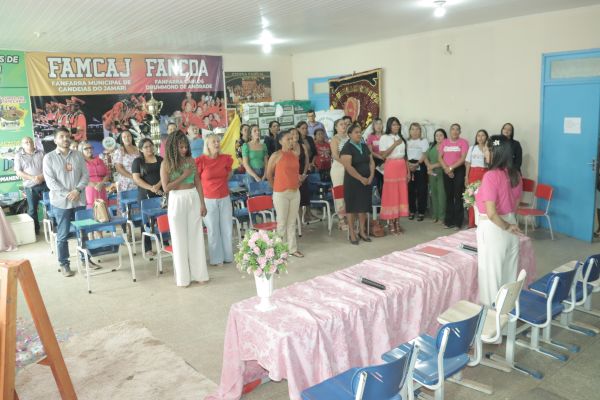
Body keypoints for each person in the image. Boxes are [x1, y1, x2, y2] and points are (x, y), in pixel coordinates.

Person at [475, 135, 523, 306]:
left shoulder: (491, 176)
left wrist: (506, 226)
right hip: (511, 224)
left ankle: (491, 322)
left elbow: (492, 213)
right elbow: (515, 204)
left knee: (491, 276)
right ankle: (507, 315)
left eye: (487, 149)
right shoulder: (515, 174)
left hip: (495, 228)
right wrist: (510, 223)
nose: (484, 152)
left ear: (495, 152)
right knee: (508, 274)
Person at [160, 131, 209, 287]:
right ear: (173, 147)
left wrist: (202, 203)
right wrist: (183, 175)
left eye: (185, 146)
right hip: (176, 199)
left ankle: (199, 274)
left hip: (193, 196)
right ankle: (183, 278)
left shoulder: (191, 160)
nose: (183, 149)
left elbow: (198, 183)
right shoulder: (166, 164)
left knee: (196, 236)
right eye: (180, 147)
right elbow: (166, 187)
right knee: (179, 239)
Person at [42, 127, 89, 277]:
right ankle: (64, 264)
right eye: (62, 136)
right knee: (63, 235)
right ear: (55, 140)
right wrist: (68, 194)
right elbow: (51, 182)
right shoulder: (48, 158)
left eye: (67, 136)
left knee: (83, 232)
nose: (65, 139)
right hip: (60, 203)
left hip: (79, 200)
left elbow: (85, 176)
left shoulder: (78, 156)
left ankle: (85, 259)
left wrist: (77, 190)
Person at [196, 134, 234, 266]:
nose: (217, 144)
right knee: (213, 229)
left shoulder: (226, 158)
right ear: (207, 145)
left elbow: (229, 173)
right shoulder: (201, 160)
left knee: (227, 227)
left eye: (218, 141)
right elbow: (197, 181)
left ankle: (228, 256)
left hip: (224, 197)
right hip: (208, 199)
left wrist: (221, 183)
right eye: (214, 142)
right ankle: (216, 259)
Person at [266, 130, 303, 258]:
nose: (291, 141)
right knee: (281, 222)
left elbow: (294, 172)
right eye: (288, 139)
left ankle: (292, 249)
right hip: (280, 193)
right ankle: (279, 251)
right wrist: (275, 187)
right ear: (281, 141)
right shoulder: (276, 155)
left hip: (295, 192)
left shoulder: (295, 154)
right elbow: (269, 174)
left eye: (292, 139)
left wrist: (299, 180)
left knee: (292, 222)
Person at [340, 122, 375, 244]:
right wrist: (361, 178)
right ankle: (352, 233)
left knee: (363, 207)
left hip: (366, 181)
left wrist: (371, 176)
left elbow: (371, 162)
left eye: (360, 132)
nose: (359, 134)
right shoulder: (347, 147)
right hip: (353, 182)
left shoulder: (364, 145)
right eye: (356, 132)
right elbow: (348, 167)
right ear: (349, 134)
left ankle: (362, 231)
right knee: (352, 208)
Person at [132, 138, 163, 256]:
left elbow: (165, 174)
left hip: (160, 192)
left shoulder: (160, 159)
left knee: (162, 217)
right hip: (145, 194)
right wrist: (151, 188)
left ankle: (164, 242)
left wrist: (158, 186)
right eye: (146, 147)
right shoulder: (138, 162)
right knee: (146, 221)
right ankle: (148, 248)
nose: (149, 148)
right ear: (141, 149)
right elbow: (136, 179)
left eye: (150, 146)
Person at [379, 117, 409, 234]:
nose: (396, 127)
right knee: (392, 194)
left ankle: (397, 222)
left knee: (401, 194)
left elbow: (405, 156)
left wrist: (408, 171)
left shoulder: (401, 138)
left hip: (401, 166)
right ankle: (390, 222)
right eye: (394, 125)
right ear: (389, 126)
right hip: (391, 166)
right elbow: (383, 155)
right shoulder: (384, 138)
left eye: (397, 125)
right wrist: (395, 144)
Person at [14, 136, 47, 236]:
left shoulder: (41, 153)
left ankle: (54, 227)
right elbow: (18, 172)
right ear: (22, 145)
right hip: (30, 187)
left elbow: (48, 168)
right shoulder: (19, 156)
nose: (28, 143)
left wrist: (41, 177)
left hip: (45, 184)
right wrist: (33, 178)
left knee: (52, 205)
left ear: (33, 143)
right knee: (32, 209)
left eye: (30, 141)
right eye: (25, 142)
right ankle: (35, 231)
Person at [439, 123, 469, 230]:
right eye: (453, 129)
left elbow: (463, 158)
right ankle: (449, 221)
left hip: (459, 170)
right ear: (450, 131)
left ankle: (458, 222)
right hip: (446, 170)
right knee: (449, 196)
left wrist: (451, 168)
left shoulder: (463, 142)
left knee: (458, 196)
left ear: (460, 132)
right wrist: (446, 169)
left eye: (457, 129)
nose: (455, 131)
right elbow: (440, 158)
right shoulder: (444, 142)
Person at [291, 127, 316, 222]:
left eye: (297, 134)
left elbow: (306, 161)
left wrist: (304, 173)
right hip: (292, 176)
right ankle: (296, 221)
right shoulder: (288, 148)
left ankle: (303, 219)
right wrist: (296, 176)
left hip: (303, 175)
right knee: (295, 201)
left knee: (303, 199)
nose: (295, 135)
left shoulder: (303, 146)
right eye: (293, 134)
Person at [465, 129, 489, 228]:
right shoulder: (472, 148)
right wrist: (466, 176)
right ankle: (471, 223)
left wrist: (485, 151)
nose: (480, 137)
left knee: (483, 199)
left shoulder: (489, 148)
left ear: (486, 137)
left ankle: (482, 223)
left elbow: (489, 163)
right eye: (478, 135)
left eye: (483, 135)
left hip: (485, 173)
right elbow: (468, 164)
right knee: (471, 198)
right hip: (473, 173)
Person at [406, 122, 430, 221]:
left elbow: (425, 154)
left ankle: (421, 212)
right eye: (413, 129)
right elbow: (404, 154)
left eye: (417, 129)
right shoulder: (407, 141)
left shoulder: (423, 141)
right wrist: (408, 165)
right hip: (408, 166)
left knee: (421, 190)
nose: (415, 131)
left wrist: (417, 164)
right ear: (409, 131)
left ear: (420, 131)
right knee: (410, 190)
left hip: (420, 164)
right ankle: (412, 211)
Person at [329, 118, 350, 229]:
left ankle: (350, 217)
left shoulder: (349, 137)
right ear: (336, 127)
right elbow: (335, 156)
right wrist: (346, 164)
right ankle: (341, 220)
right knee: (340, 193)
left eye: (345, 124)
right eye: (341, 124)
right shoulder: (334, 139)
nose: (344, 126)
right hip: (339, 168)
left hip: (350, 168)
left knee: (349, 193)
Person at [424, 129, 447, 223]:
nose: (438, 137)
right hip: (432, 173)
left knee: (442, 195)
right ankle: (435, 215)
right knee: (434, 194)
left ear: (445, 137)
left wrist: (432, 166)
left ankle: (442, 217)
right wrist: (429, 166)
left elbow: (445, 161)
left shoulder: (446, 147)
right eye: (436, 135)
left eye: (441, 135)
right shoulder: (432, 146)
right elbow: (425, 157)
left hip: (442, 172)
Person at [80, 141, 110, 208]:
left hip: (102, 187)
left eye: (91, 148)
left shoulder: (100, 160)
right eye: (86, 148)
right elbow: (78, 177)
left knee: (104, 209)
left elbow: (107, 174)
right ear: (81, 150)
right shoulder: (80, 162)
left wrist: (101, 183)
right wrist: (94, 185)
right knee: (92, 209)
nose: (89, 150)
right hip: (89, 188)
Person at [366, 117, 384, 196]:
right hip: (375, 161)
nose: (378, 126)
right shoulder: (370, 136)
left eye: (380, 124)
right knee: (376, 181)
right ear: (373, 126)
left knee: (385, 181)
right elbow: (370, 151)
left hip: (385, 160)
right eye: (376, 124)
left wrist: (384, 157)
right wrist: (379, 157)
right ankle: (376, 201)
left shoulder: (386, 136)